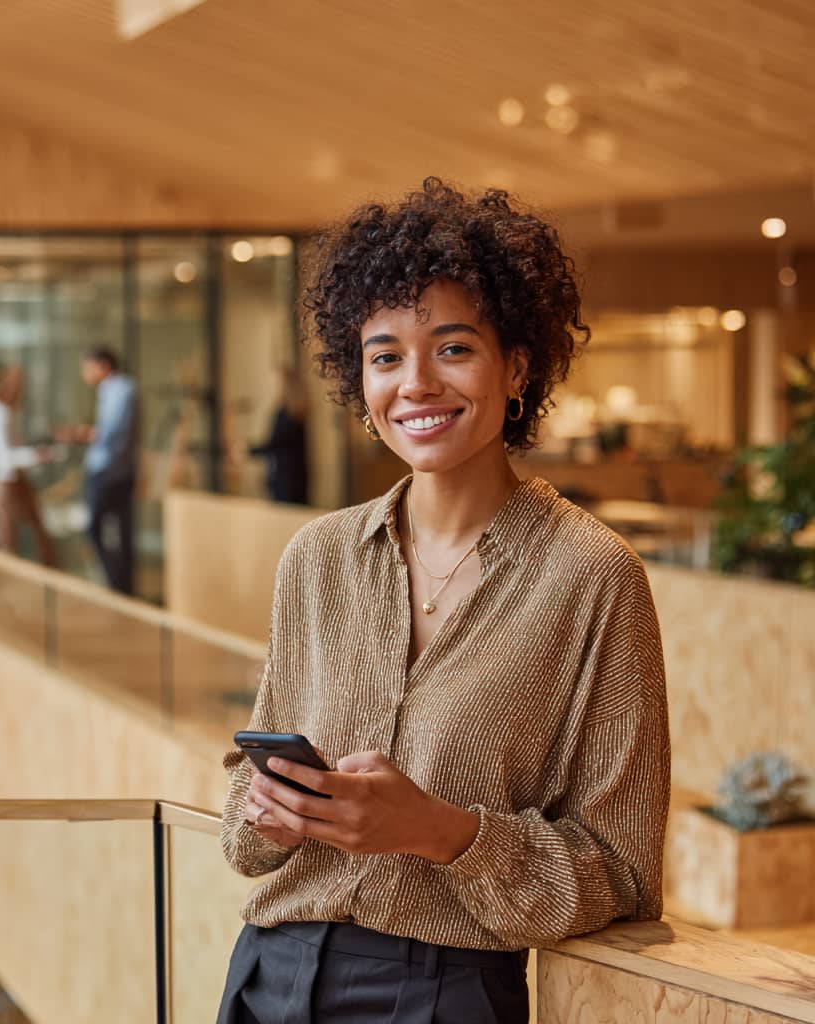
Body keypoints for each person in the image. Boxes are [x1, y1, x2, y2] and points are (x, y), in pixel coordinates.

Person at [218, 179, 670, 1024]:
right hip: (267, 971)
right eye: (385, 355)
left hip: (441, 991)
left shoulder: (592, 577)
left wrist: (439, 831)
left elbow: (624, 873)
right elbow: (244, 834)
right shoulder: (316, 559)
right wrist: (270, 811)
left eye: (453, 348)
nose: (415, 383)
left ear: (519, 366)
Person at [57, 347, 137, 595]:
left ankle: (117, 585)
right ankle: (117, 584)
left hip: (110, 471)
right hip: (111, 469)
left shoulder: (122, 389)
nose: (85, 374)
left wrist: (81, 434)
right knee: (111, 530)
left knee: (99, 528)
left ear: (102, 365)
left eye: (87, 368)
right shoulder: (110, 390)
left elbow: (112, 434)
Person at [0, 365, 56, 566]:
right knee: (7, 537)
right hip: (4, 479)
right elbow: (2, 456)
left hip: (16, 476)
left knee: (37, 530)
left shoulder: (6, 411)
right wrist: (35, 456)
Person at [249, 368, 309, 504]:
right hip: (297, 476)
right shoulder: (299, 412)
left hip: (285, 479)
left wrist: (249, 450)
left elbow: (274, 443)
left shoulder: (286, 414)